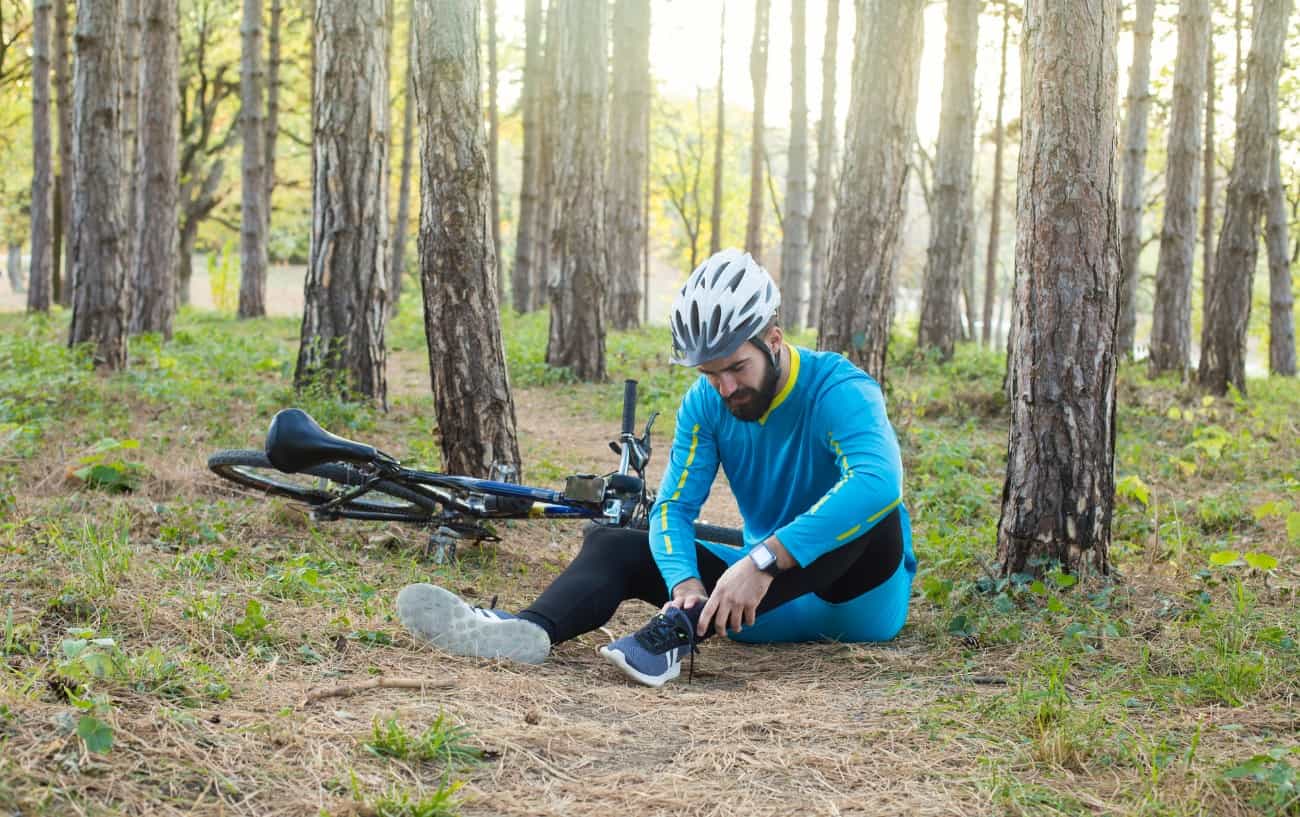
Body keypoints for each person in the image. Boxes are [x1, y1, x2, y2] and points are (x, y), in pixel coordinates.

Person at [397, 248, 917, 687]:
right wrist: (686, 584)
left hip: (857, 603)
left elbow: (877, 481)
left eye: (737, 367)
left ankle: (680, 632)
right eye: (711, 373)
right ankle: (525, 632)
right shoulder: (705, 403)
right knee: (615, 541)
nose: (726, 388)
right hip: (752, 610)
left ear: (774, 341)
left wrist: (761, 561)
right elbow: (673, 508)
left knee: (872, 511)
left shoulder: (838, 388)